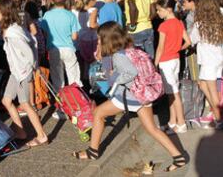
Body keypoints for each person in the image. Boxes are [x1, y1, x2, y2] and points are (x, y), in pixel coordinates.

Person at [72, 22, 188, 172]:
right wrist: (100, 52)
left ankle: (93, 151)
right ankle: (179, 157)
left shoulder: (118, 56)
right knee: (152, 128)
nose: (98, 41)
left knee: (98, 113)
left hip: (131, 95)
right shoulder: (128, 49)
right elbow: (104, 61)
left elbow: (130, 72)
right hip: (143, 94)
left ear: (107, 39)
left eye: (100, 39)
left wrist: (116, 78)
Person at [0, 0, 48, 147]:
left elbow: (29, 50)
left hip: (22, 72)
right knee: (7, 100)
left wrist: (32, 66)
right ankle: (20, 131)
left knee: (25, 104)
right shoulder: (12, 28)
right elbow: (32, 41)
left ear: (4, 13)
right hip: (15, 72)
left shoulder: (13, 32)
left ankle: (41, 135)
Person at [41, 0, 82, 119]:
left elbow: (45, 33)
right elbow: (75, 36)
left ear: (52, 0)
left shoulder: (47, 15)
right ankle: (78, 105)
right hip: (69, 48)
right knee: (74, 77)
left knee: (58, 80)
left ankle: (62, 109)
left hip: (53, 49)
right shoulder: (70, 15)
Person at [154, 0, 191, 133]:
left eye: (159, 10)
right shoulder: (179, 22)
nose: (158, 13)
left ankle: (181, 123)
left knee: (173, 93)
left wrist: (155, 64)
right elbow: (188, 41)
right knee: (172, 92)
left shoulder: (163, 25)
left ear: (168, 9)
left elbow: (160, 47)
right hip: (175, 59)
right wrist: (177, 49)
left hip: (165, 61)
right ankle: (172, 122)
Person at [190, 0, 223, 129]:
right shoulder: (219, 22)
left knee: (212, 92)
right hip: (218, 59)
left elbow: (192, 40)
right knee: (203, 85)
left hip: (207, 62)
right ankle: (217, 115)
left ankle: (219, 119)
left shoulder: (199, 25)